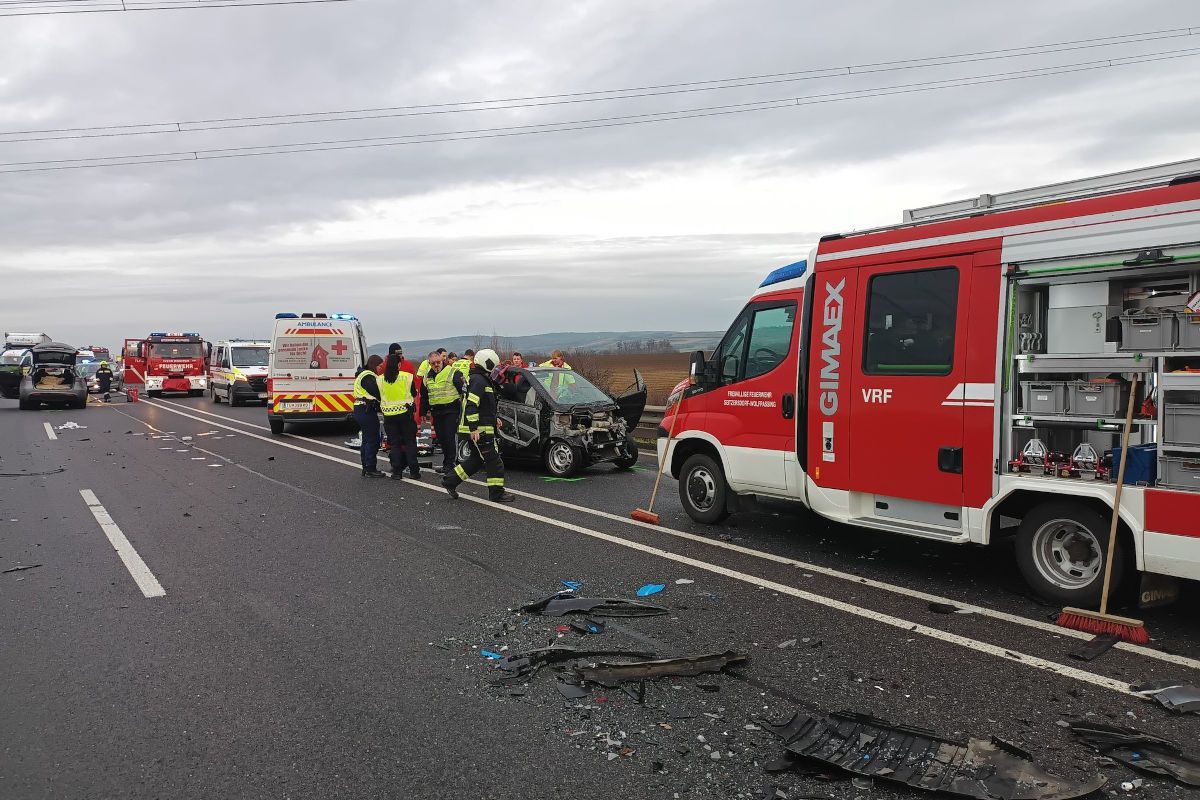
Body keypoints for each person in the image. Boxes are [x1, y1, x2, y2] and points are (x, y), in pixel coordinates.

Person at [442, 348, 514, 503]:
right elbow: (472, 406)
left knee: (475, 461)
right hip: (480, 430)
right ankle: (496, 493)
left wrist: (493, 419)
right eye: (493, 366)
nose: (495, 369)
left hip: (479, 427)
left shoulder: (478, 379)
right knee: (494, 461)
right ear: (487, 364)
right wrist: (474, 428)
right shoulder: (480, 381)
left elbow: (483, 406)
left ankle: (450, 481)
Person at [380, 352, 420, 480]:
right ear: (398, 364)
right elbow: (414, 393)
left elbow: (378, 395)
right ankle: (414, 471)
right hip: (405, 415)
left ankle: (396, 472)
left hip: (389, 416)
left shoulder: (380, 379)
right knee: (410, 443)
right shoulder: (407, 377)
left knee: (395, 444)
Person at [420, 351, 462, 474]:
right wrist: (423, 412)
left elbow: (463, 389)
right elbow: (424, 396)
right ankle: (446, 463)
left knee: (449, 437)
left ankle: (450, 464)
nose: (436, 365)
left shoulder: (453, 372)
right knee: (441, 438)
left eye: (438, 362)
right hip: (436, 412)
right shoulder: (427, 376)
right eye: (433, 363)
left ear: (442, 361)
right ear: (429, 363)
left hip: (451, 410)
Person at [352, 355, 386, 477]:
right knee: (373, 439)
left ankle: (366, 466)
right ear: (374, 365)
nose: (380, 369)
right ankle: (370, 467)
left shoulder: (362, 374)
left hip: (361, 409)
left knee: (366, 439)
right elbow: (377, 392)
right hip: (365, 409)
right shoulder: (368, 377)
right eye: (379, 366)